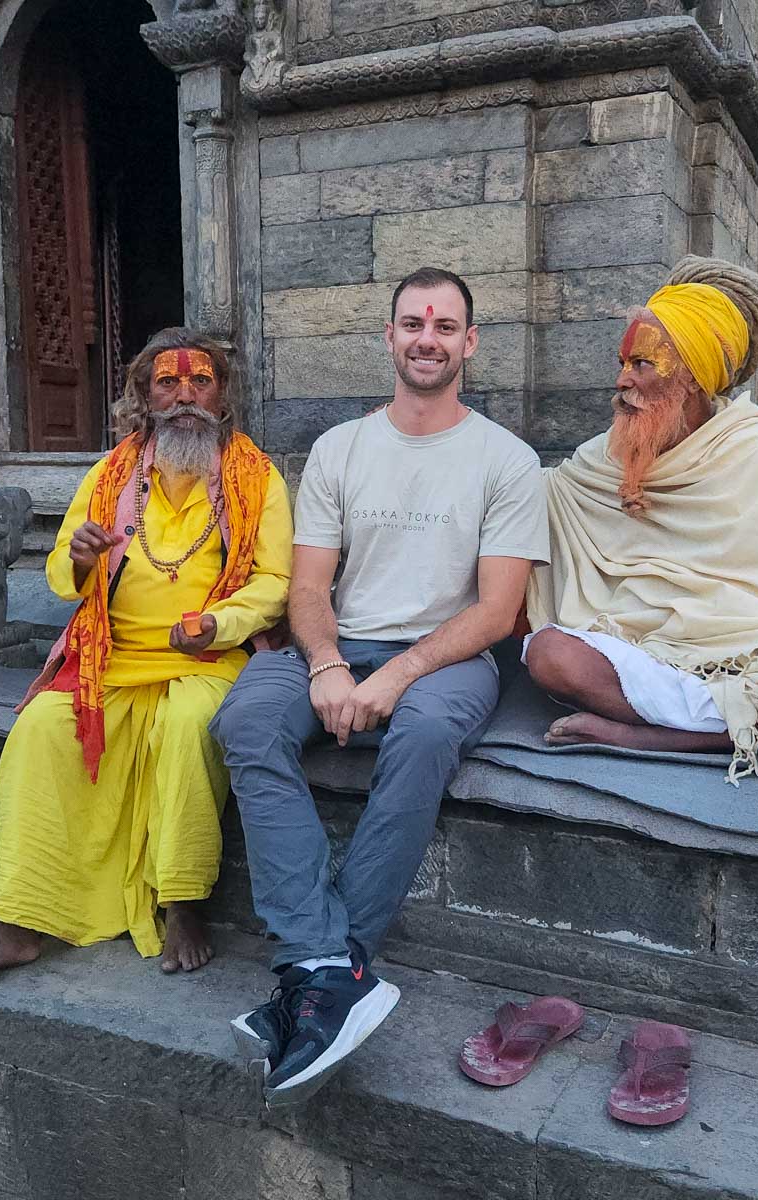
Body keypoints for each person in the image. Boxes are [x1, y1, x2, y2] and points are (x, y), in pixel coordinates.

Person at [210, 266, 550, 1105]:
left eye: (444, 326)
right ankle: (328, 965)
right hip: (340, 643)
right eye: (411, 323)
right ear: (389, 338)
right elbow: (310, 587)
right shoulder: (340, 448)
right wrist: (326, 666)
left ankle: (326, 969)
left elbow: (501, 611)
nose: (426, 338)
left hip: (450, 655)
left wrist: (398, 673)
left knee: (426, 731)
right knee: (248, 717)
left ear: (469, 343)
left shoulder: (505, 459)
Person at [0, 328, 293, 989]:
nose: (185, 395)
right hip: (113, 656)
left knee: (189, 730)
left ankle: (181, 902)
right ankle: (15, 923)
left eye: (200, 381)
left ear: (223, 394)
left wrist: (218, 623)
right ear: (143, 395)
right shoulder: (110, 475)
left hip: (208, 660)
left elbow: (273, 584)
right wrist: (78, 560)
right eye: (167, 382)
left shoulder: (258, 479)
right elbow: (57, 572)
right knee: (40, 731)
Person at [523, 255, 758, 821]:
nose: (622, 380)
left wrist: (725, 643)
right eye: (622, 363)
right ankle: (720, 728)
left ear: (691, 375)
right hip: (650, 654)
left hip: (755, 657)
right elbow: (539, 493)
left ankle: (661, 737)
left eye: (640, 364)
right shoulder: (605, 455)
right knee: (550, 655)